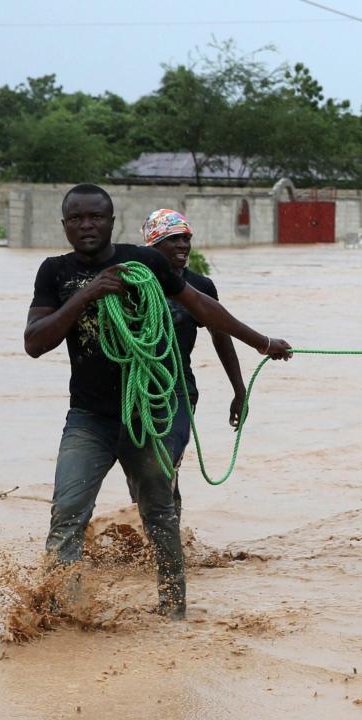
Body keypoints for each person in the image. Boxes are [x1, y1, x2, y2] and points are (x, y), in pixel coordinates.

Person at [25, 184, 291, 619]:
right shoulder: (53, 272)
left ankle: (173, 612)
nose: (86, 225)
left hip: (150, 412)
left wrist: (261, 342)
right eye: (77, 218)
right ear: (65, 225)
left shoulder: (144, 261)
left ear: (112, 222)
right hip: (88, 418)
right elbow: (35, 343)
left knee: (160, 514)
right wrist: (87, 294)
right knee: (67, 514)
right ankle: (63, 615)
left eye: (95, 217)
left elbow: (203, 307)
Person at [125, 209, 247, 519]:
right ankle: (157, 534)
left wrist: (239, 389)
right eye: (172, 239)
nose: (183, 245)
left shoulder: (201, 287)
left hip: (178, 391)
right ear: (152, 247)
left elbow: (222, 336)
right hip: (132, 393)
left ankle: (169, 548)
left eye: (186, 238)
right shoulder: (130, 285)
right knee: (140, 476)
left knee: (163, 465)